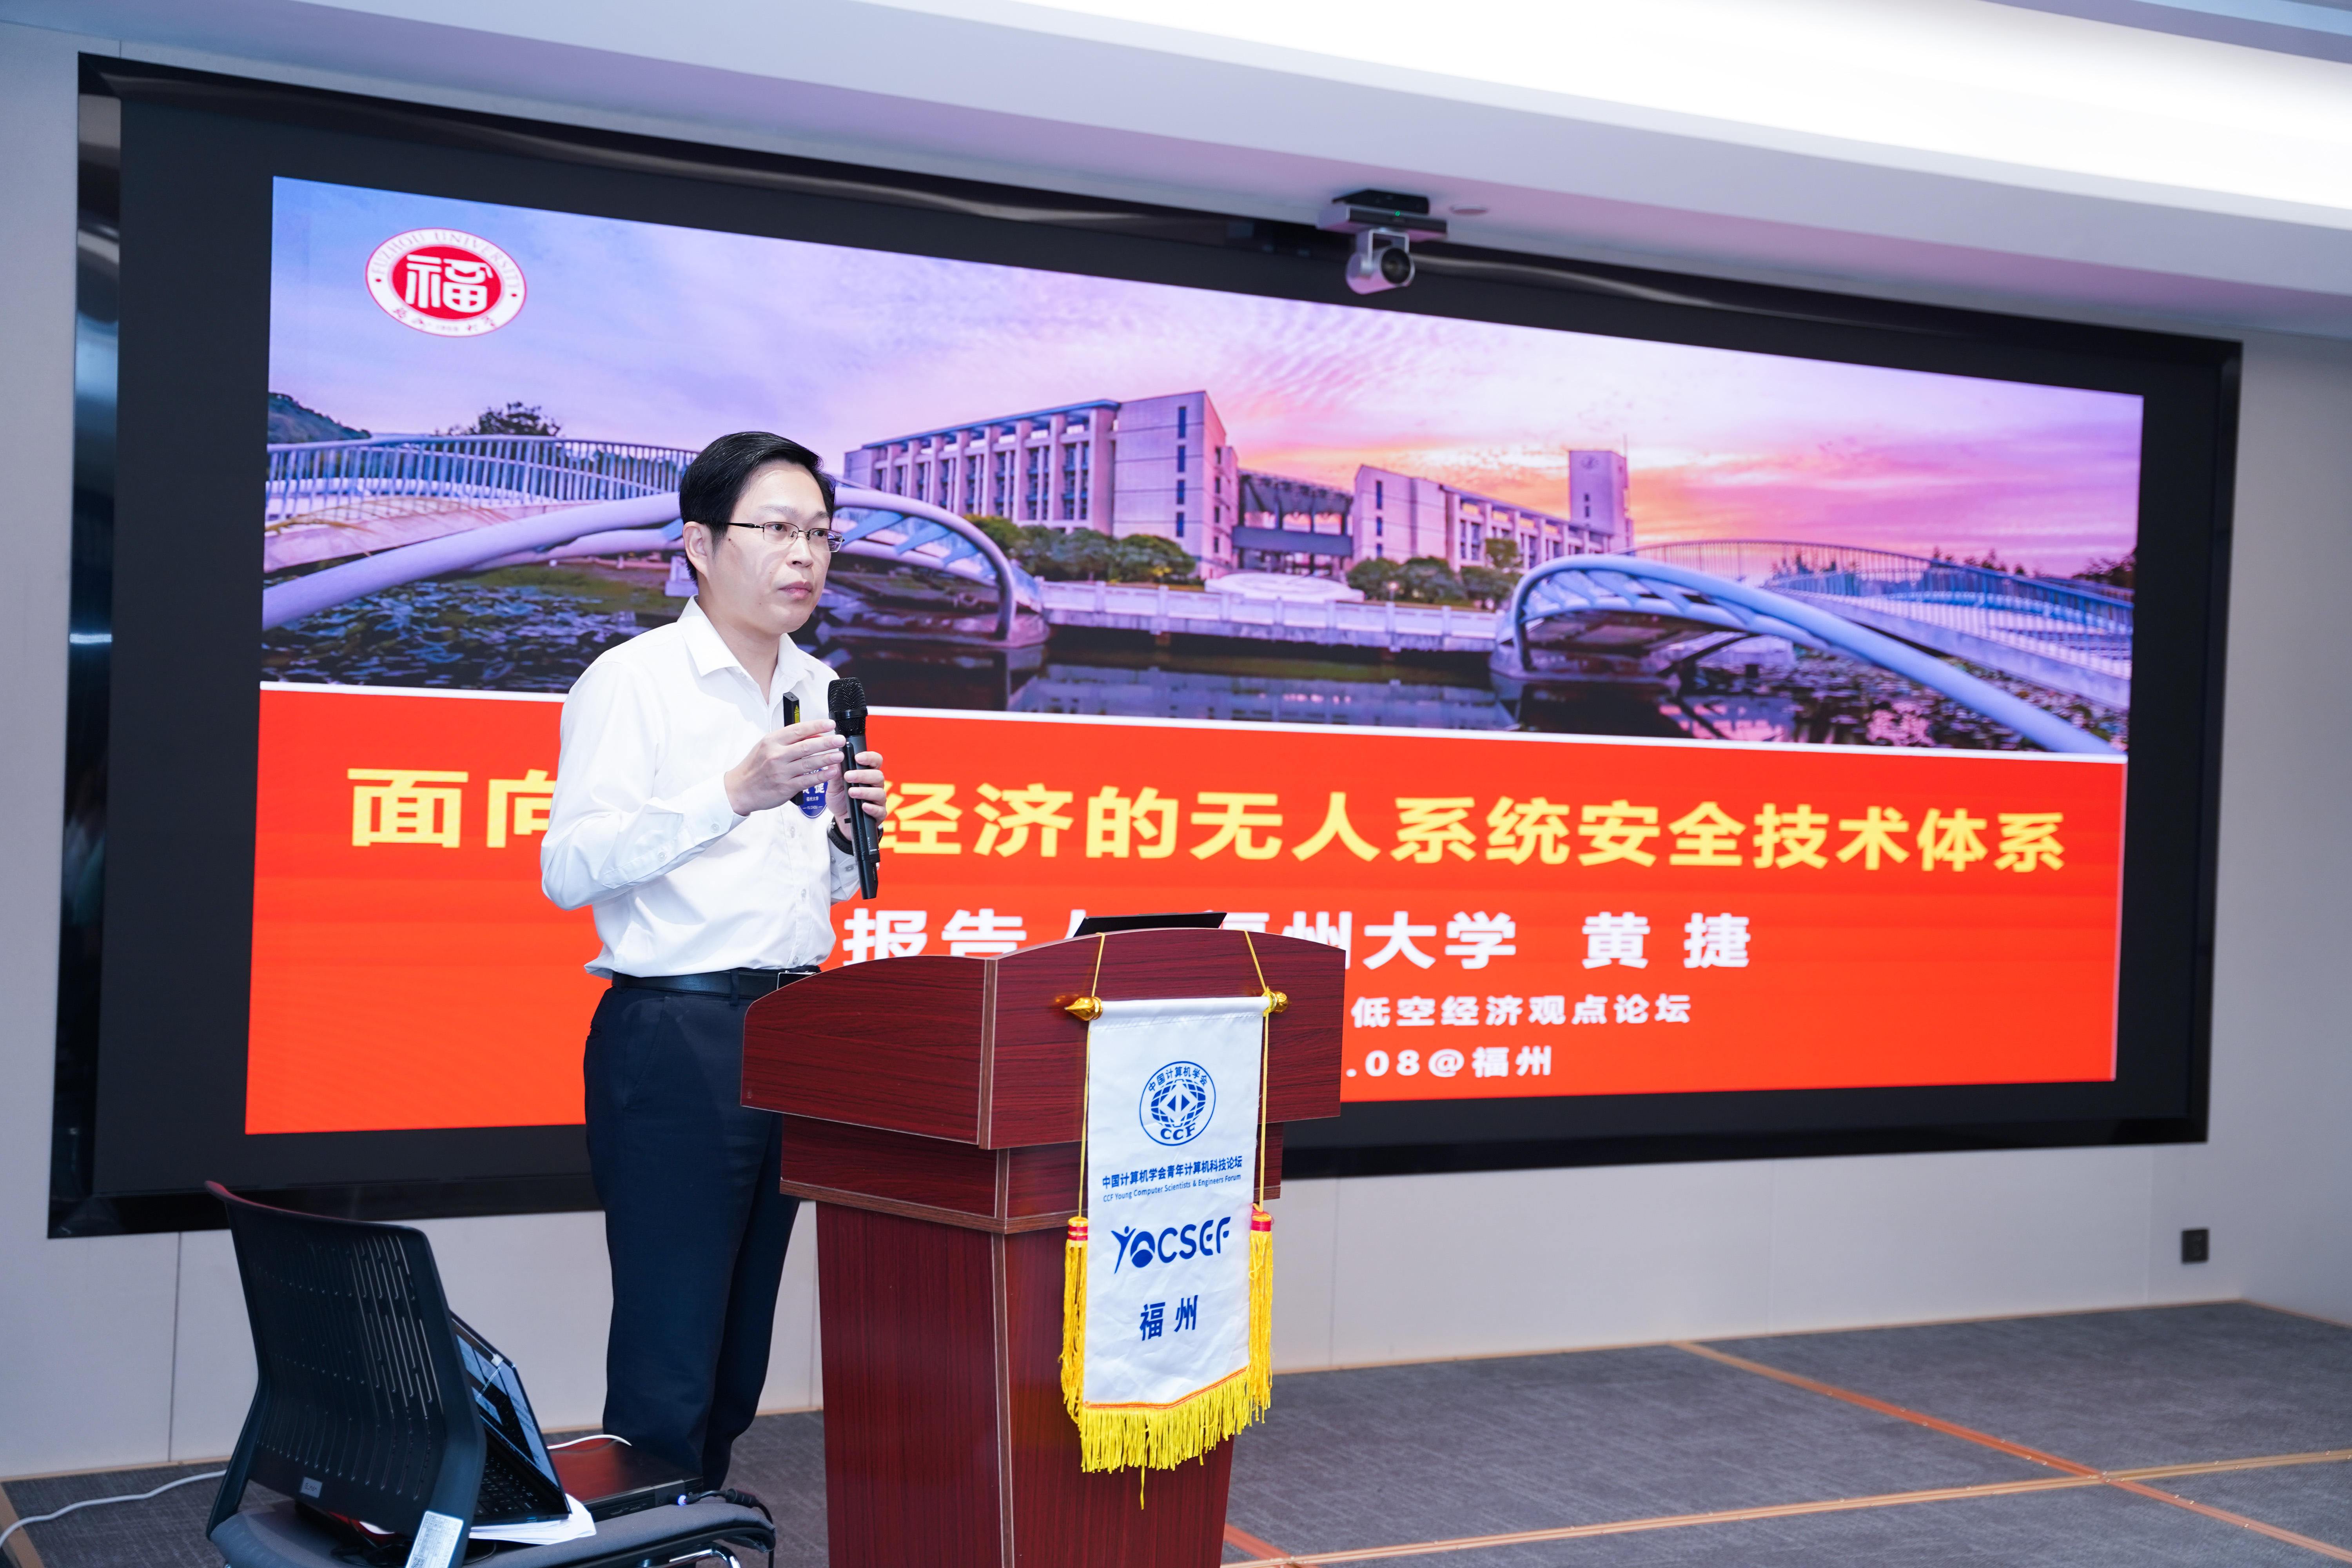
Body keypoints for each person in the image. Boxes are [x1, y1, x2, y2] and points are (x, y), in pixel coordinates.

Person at [540, 431, 885, 1488]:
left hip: (795, 1032)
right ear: (698, 544)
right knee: (672, 1349)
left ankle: (696, 1524)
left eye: (819, 534)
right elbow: (570, 868)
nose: (804, 555)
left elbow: (817, 889)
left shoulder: (821, 686)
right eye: (776, 529)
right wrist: (731, 793)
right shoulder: (635, 680)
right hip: (678, 1034)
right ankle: (651, 1542)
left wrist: (847, 834)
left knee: (739, 1352)